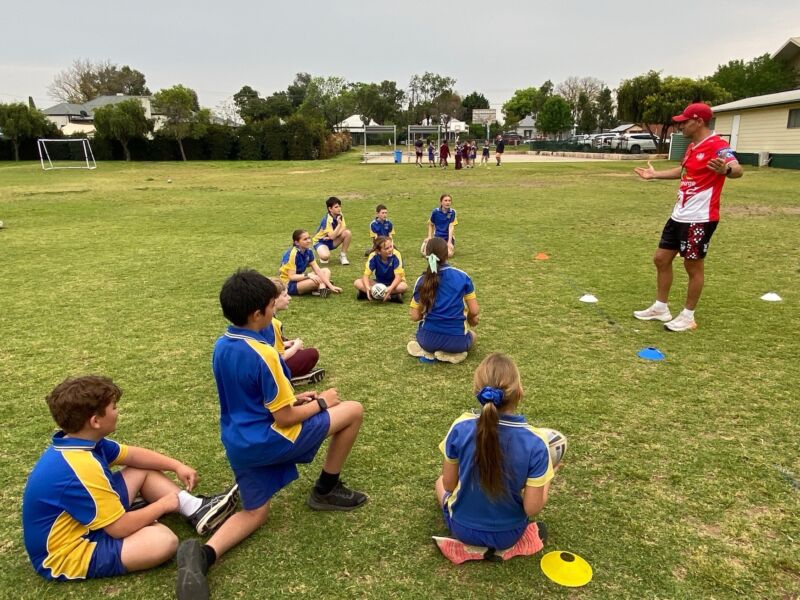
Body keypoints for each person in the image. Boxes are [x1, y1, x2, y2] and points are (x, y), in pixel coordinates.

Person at [176, 269, 367, 600]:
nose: (275, 307)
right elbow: (286, 416)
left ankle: (203, 557)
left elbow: (255, 398)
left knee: (256, 512)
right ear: (257, 314)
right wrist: (321, 402)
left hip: (239, 443)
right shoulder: (265, 354)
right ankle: (326, 489)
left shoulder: (222, 344)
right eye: (271, 305)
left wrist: (297, 398)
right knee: (352, 411)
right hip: (271, 438)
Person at [22, 375, 238, 582]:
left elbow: (132, 456)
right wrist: (163, 505)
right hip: (68, 551)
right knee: (164, 541)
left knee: (140, 469)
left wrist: (176, 466)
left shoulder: (80, 442)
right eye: (113, 408)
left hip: (83, 521)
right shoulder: (82, 467)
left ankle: (196, 508)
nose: (117, 411)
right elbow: (119, 529)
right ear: (96, 421)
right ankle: (163, 508)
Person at [633, 102, 743, 332]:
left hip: (700, 217)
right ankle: (660, 308)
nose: (680, 125)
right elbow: (683, 172)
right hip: (679, 215)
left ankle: (688, 315)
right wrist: (654, 175)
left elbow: (736, 168)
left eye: (684, 121)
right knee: (661, 259)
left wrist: (726, 170)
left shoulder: (718, 145)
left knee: (692, 266)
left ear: (699, 121)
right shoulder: (692, 147)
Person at [435, 353, 555, 557]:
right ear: (520, 393)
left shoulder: (460, 426)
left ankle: (467, 548)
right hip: (509, 534)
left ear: (477, 392)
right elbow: (532, 508)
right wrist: (549, 476)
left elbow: (448, 484)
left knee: (439, 482)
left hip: (462, 529)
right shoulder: (537, 442)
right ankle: (512, 547)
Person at [408, 237, 479, 364]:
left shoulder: (422, 280)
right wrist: (471, 319)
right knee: (473, 336)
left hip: (428, 340)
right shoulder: (462, 276)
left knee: (422, 335)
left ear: (427, 254)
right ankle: (454, 353)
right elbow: (474, 311)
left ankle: (426, 351)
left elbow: (414, 316)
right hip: (456, 341)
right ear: (447, 254)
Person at [263, 277, 325, 386]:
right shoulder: (273, 323)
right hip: (267, 369)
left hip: (259, 363)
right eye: (285, 295)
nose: (290, 298)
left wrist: (287, 344)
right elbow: (278, 357)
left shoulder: (260, 318)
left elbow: (266, 345)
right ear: (274, 300)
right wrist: (295, 346)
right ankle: (285, 380)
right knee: (312, 354)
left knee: (289, 346)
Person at [280, 229, 341, 298]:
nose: (309, 241)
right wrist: (309, 275)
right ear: (297, 243)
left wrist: (331, 286)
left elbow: (317, 270)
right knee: (314, 280)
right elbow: (292, 277)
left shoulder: (309, 251)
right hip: (288, 284)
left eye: (309, 238)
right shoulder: (293, 254)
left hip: (299, 279)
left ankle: (321, 288)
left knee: (326, 271)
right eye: (305, 239)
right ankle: (321, 288)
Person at [355, 236, 408, 303]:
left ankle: (367, 294)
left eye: (391, 246)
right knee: (357, 282)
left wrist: (391, 288)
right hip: (379, 283)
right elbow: (366, 275)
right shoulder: (373, 256)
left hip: (394, 283)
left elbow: (398, 277)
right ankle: (392, 296)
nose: (390, 250)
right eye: (386, 248)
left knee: (403, 286)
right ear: (378, 251)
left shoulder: (396, 255)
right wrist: (368, 288)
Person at [311, 196, 352, 265]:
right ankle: (322, 254)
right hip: (320, 241)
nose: (339, 209)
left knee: (347, 233)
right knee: (325, 256)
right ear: (330, 209)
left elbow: (344, 228)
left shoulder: (340, 214)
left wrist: (332, 236)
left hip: (331, 240)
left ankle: (343, 256)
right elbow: (333, 235)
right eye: (336, 207)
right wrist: (339, 225)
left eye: (339, 206)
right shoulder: (326, 219)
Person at [424, 193, 457, 258]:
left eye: (449, 201)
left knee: (449, 255)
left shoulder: (452, 212)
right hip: (437, 238)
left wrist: (449, 242)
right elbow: (431, 224)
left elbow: (451, 227)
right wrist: (429, 237)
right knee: (425, 254)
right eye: (445, 200)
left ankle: (440, 250)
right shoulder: (435, 212)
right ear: (441, 202)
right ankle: (426, 244)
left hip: (447, 238)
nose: (448, 202)